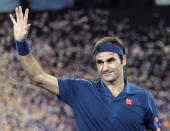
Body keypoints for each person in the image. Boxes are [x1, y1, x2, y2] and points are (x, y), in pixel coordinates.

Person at [9, 6, 161, 131]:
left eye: (111, 61)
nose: (105, 67)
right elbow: (37, 78)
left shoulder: (143, 98)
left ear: (123, 60)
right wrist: (21, 43)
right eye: (100, 62)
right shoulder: (81, 90)